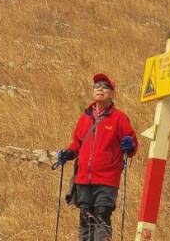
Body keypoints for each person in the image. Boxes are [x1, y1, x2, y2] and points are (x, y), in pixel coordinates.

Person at [56, 73, 138, 241]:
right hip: (84, 178)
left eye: (105, 86)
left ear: (112, 93)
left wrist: (130, 145)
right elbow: (77, 145)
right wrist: (68, 153)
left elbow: (132, 145)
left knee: (102, 216)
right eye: (97, 86)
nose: (100, 88)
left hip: (107, 179)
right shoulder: (85, 117)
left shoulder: (119, 118)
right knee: (85, 217)